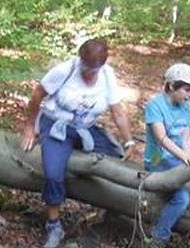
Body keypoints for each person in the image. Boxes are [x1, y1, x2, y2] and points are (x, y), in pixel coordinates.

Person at [18, 38, 136, 248]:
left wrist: (128, 142)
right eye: (86, 66)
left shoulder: (107, 75)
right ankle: (54, 226)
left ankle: (114, 212)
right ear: (80, 59)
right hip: (56, 124)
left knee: (118, 158)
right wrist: (30, 126)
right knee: (54, 172)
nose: (89, 72)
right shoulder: (65, 70)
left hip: (85, 129)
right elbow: (37, 95)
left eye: (94, 68)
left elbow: (117, 111)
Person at [141, 63, 190, 244]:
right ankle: (158, 238)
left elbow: (186, 138)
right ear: (171, 86)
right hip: (157, 160)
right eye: (186, 89)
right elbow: (161, 138)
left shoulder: (185, 106)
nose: (189, 94)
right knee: (182, 199)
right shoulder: (155, 106)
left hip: (177, 160)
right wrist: (184, 158)